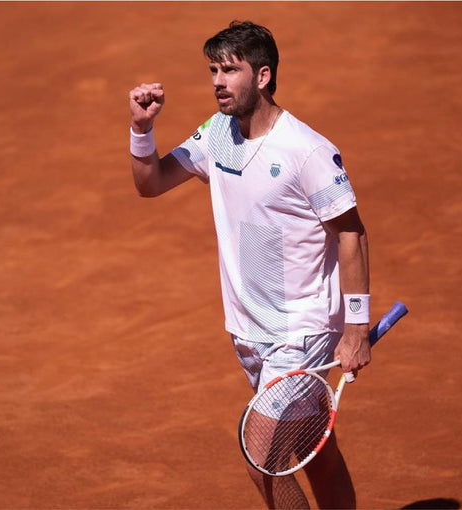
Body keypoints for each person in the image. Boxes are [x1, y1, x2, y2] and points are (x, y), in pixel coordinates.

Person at [128, 21, 371, 510]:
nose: (218, 80)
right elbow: (151, 182)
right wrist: (141, 129)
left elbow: (351, 232)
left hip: (300, 331)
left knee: (260, 456)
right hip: (248, 329)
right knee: (313, 452)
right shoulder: (217, 134)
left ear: (262, 76)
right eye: (213, 70)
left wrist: (358, 325)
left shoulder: (306, 152)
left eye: (230, 70)